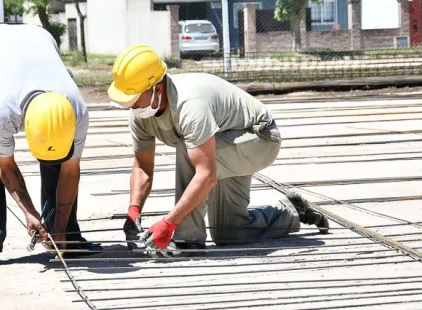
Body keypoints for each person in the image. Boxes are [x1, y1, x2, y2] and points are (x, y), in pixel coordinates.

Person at [107, 45, 328, 257]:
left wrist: (169, 224)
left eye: (133, 98)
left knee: (187, 149)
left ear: (157, 88)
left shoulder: (190, 105)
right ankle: (291, 211)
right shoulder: (141, 113)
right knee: (231, 232)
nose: (131, 106)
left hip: (260, 138)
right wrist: (133, 212)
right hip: (226, 143)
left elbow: (206, 174)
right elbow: (143, 167)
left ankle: (188, 240)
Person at [0, 23, 101, 272]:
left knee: (61, 153)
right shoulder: (2, 114)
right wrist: (30, 213)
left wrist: (58, 223)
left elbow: (69, 171)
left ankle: (64, 233)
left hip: (38, 43)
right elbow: (7, 167)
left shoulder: (75, 111)